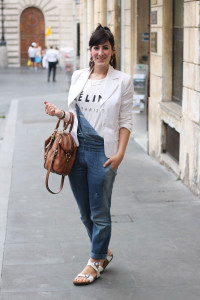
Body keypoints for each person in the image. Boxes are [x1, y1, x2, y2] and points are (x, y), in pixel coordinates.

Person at [44, 24, 133, 286]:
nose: (100, 52)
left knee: (100, 212)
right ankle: (103, 251)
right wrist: (60, 114)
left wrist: (120, 155)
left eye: (105, 47)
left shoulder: (122, 80)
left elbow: (126, 121)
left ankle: (95, 261)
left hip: (103, 153)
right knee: (85, 213)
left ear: (112, 51)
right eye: (96, 47)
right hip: (77, 151)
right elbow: (77, 117)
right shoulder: (79, 77)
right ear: (90, 50)